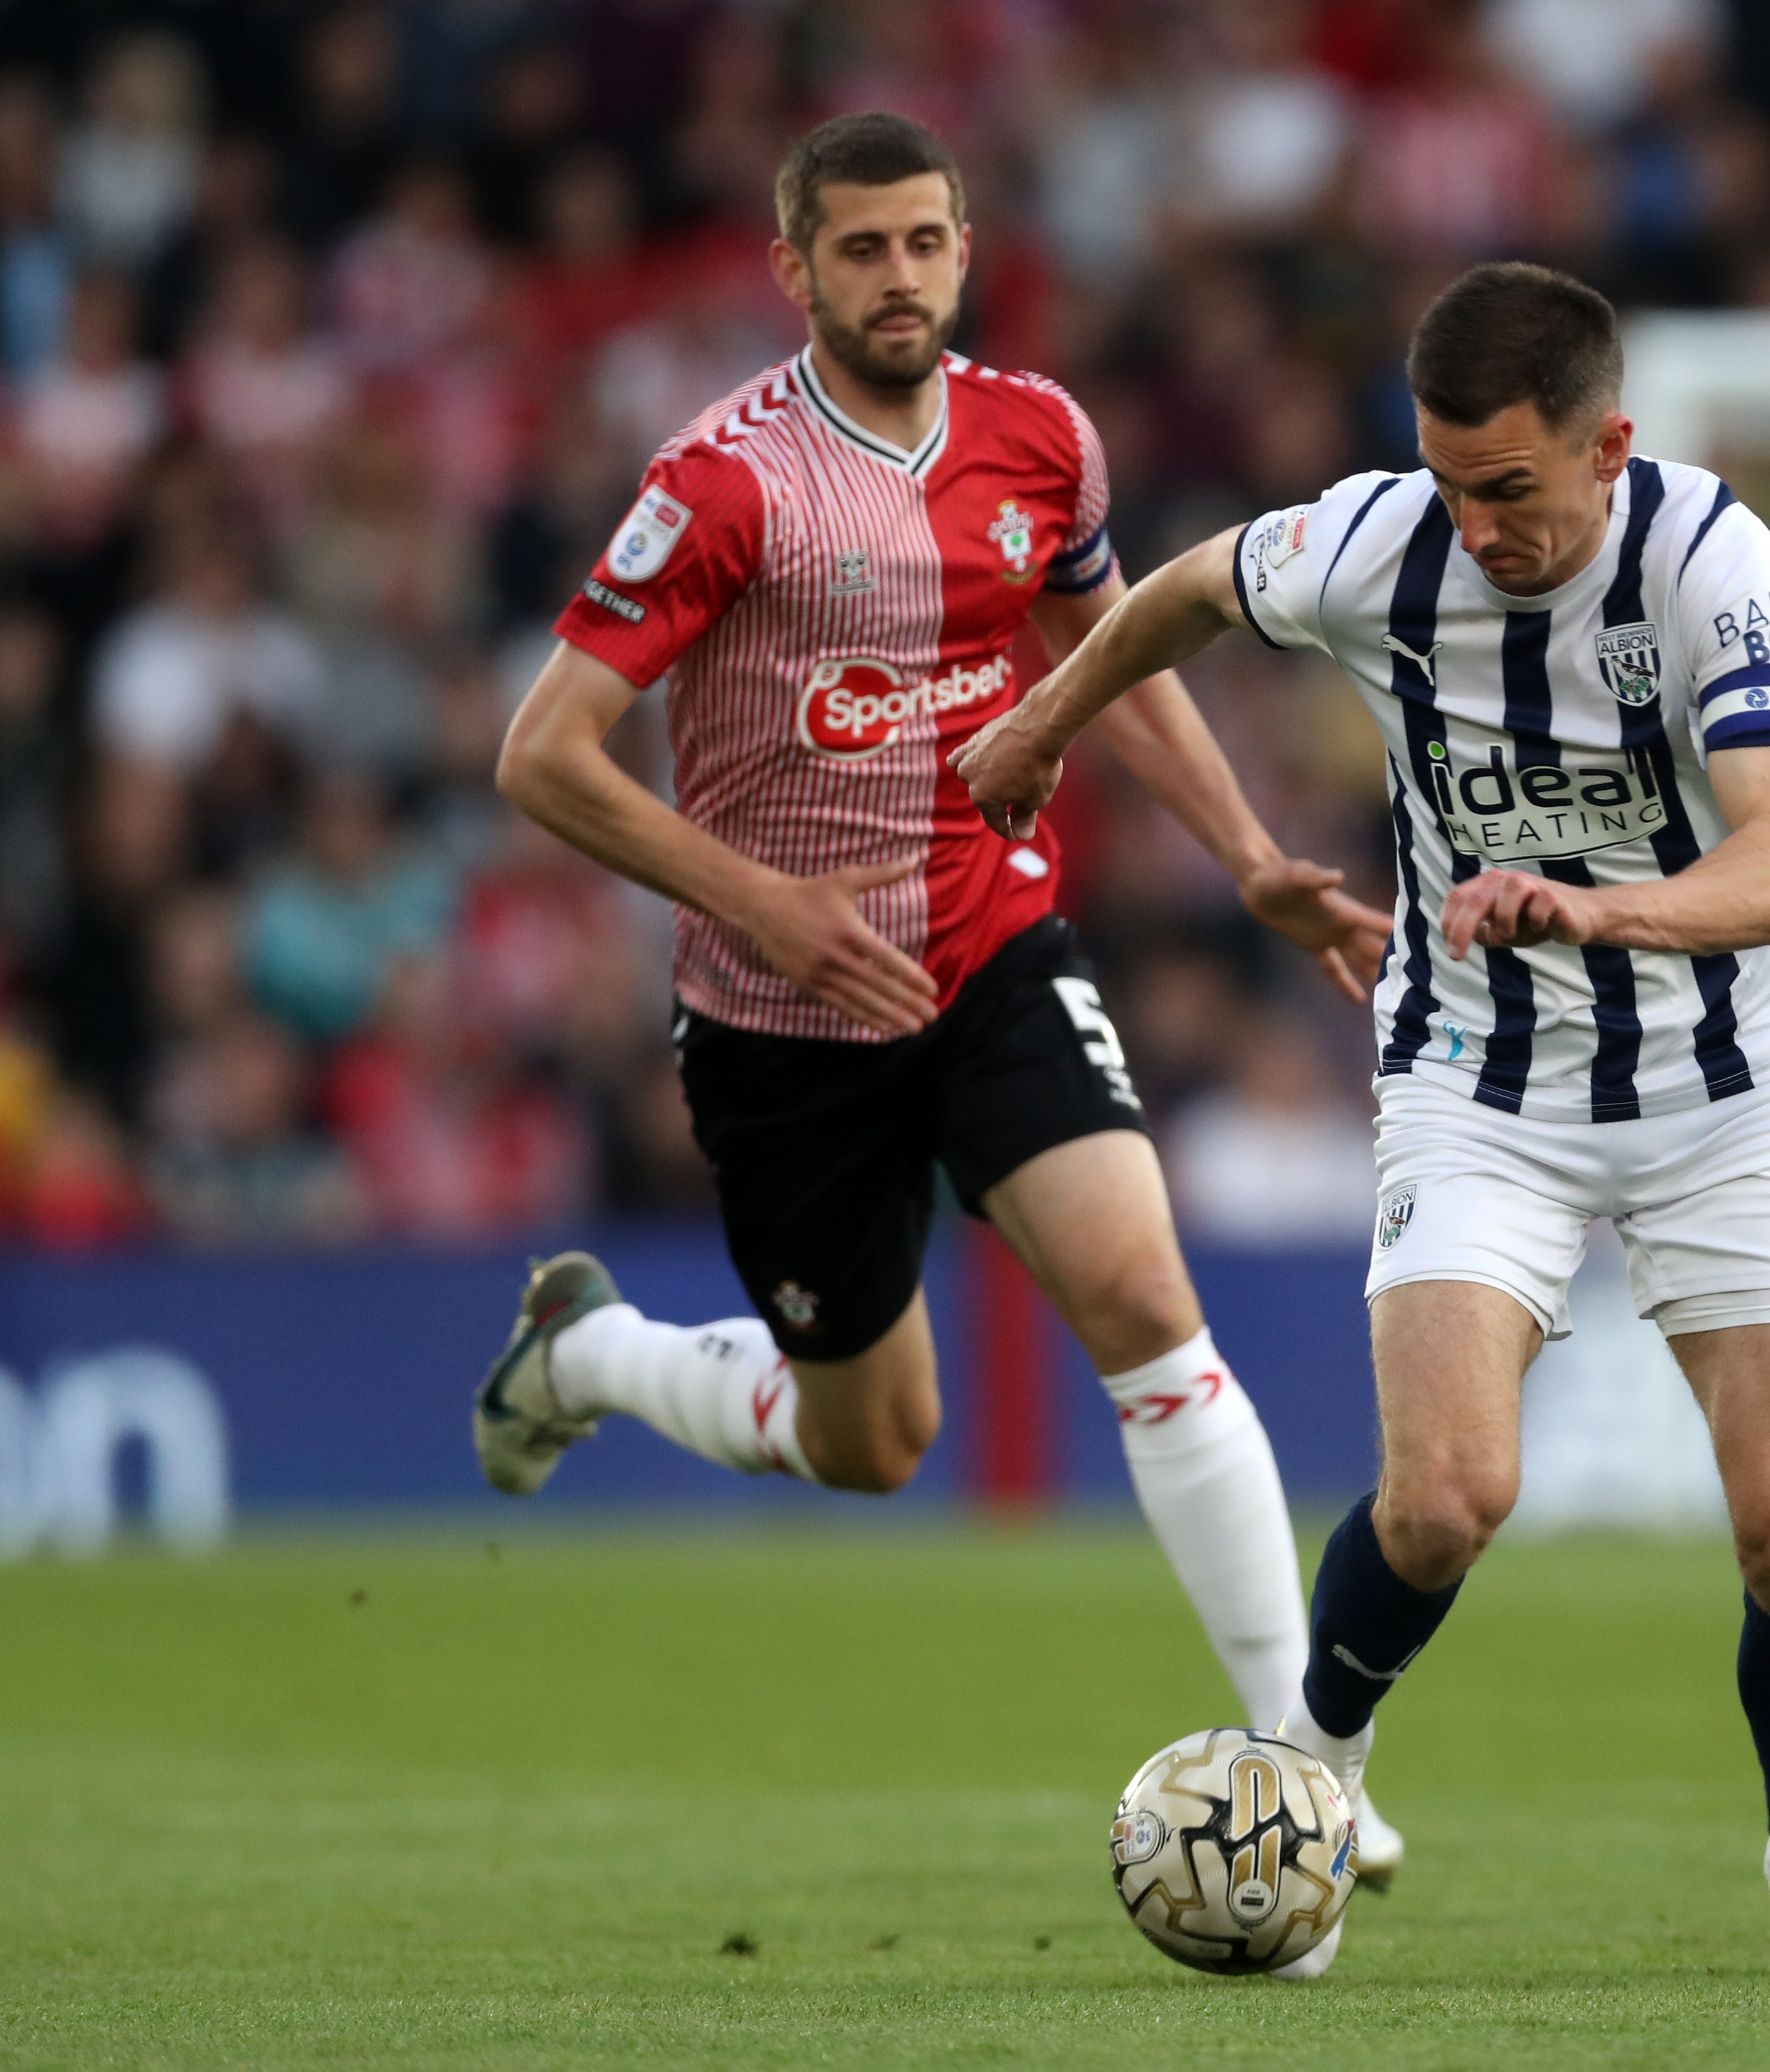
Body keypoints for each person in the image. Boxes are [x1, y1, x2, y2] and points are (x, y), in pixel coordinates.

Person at [954, 262, 1770, 1978]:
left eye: (1512, 491)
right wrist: (1042, 717)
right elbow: (1179, 591)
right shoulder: (1372, 543)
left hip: (1720, 1092)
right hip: (1476, 1083)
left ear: (1606, 445)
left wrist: (1591, 907)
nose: (1474, 526)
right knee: (1443, 1500)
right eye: (1448, 483)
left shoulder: (1709, 562)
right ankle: (1308, 1806)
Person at [478, 113, 1408, 1876]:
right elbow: (542, 758)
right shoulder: (720, 481)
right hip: (781, 1020)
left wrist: (1245, 857)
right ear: (795, 269)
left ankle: (1304, 1770)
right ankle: (588, 1353)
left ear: (963, 248)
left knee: (1142, 1290)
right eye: (859, 250)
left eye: (923, 243)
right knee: (874, 1439)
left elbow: (1110, 653)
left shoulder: (1040, 437)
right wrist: (760, 900)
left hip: (991, 951)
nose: (896, 277)